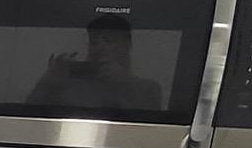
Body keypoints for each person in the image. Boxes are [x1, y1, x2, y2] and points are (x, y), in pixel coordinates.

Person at [30, 13, 163, 113]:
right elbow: (28, 121)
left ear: (127, 45)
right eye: (94, 41)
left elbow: (150, 131)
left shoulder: (148, 88)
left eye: (109, 40)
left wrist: (125, 83)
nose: (99, 47)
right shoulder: (66, 84)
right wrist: (47, 84)